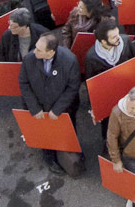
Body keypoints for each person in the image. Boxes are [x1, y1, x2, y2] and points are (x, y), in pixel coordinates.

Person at [19, 32, 83, 174]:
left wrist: (57, 109)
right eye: (36, 47)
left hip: (64, 109)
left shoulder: (69, 60)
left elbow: (73, 86)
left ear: (50, 52)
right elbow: (23, 83)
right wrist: (35, 108)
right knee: (45, 135)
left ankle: (71, 152)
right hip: (40, 108)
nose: (34, 51)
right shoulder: (29, 59)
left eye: (39, 50)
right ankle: (49, 158)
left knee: (68, 131)